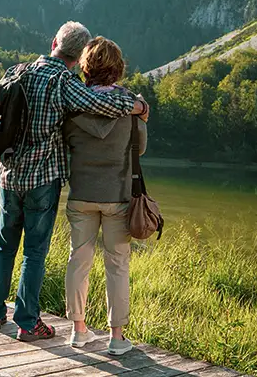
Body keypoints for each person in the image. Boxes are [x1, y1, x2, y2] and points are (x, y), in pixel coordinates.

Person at [0, 22, 150, 342]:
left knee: (5, 246)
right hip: (42, 180)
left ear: (54, 43)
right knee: (34, 252)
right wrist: (139, 106)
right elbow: (105, 104)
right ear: (77, 58)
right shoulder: (63, 82)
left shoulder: (16, 70)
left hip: (7, 175)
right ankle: (27, 322)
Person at [62, 36, 142, 356]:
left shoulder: (73, 106)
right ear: (118, 69)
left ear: (86, 67)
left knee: (78, 262)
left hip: (81, 194)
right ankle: (117, 337)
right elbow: (141, 147)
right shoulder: (130, 106)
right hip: (117, 196)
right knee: (117, 265)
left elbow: (67, 143)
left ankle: (79, 331)